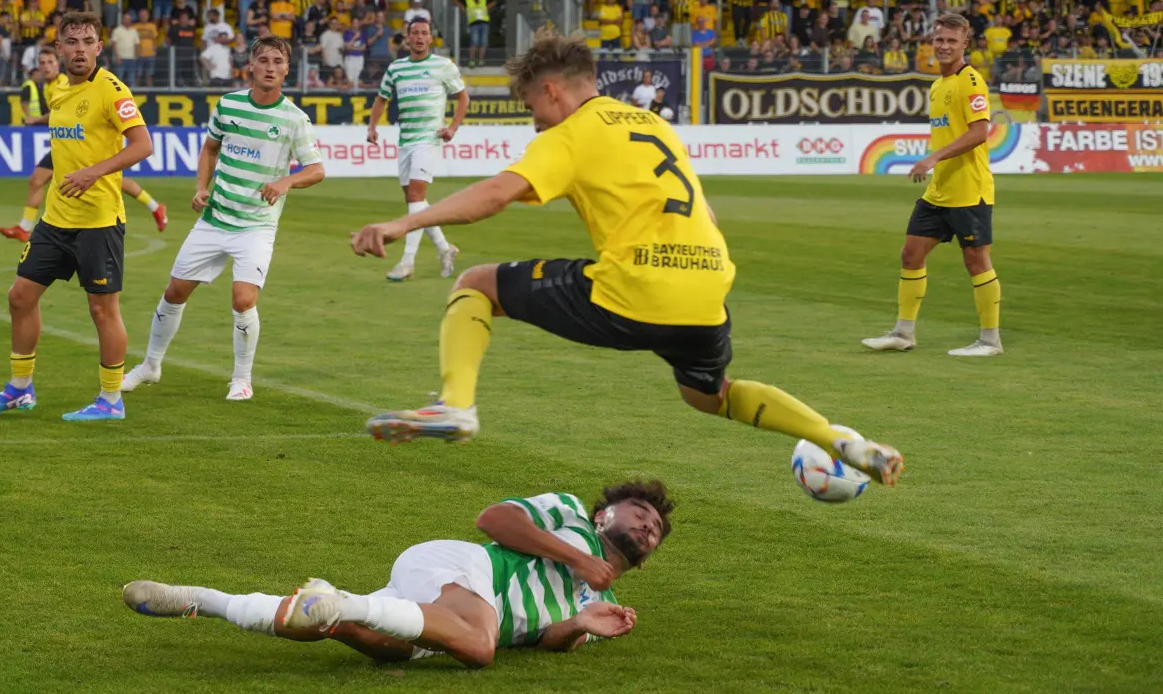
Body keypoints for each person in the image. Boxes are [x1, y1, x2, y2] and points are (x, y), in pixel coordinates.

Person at [347, 31, 905, 490]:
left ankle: (455, 406)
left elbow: (494, 195)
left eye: (531, 107)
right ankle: (841, 440)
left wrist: (403, 222)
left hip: (634, 286)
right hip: (707, 289)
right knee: (712, 395)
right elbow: (705, 211)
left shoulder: (570, 133)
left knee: (477, 282)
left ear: (552, 92)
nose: (533, 122)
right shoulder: (653, 124)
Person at [122, 478, 668, 668]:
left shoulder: (605, 602)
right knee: (480, 649)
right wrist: (578, 557)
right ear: (604, 515)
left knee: (362, 639)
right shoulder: (570, 513)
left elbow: (544, 640)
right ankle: (341, 600)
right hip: (457, 569)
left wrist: (580, 627)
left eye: (654, 532)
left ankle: (203, 599)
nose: (647, 528)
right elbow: (494, 519)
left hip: (439, 616)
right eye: (640, 514)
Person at [0, 12, 154, 422]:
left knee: (103, 310)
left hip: (99, 221)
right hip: (55, 219)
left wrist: (94, 171)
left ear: (99, 47)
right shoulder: (56, 89)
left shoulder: (112, 91)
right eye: (71, 42)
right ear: (58, 49)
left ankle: (110, 400)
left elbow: (143, 145)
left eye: (88, 41)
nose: (80, 49)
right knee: (20, 297)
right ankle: (20, 389)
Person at [121, 36, 325, 403]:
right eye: (263, 60)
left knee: (243, 300)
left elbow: (316, 169)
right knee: (174, 292)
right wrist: (202, 186)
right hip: (215, 219)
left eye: (278, 61)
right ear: (251, 65)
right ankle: (151, 365)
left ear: (286, 69)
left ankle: (242, 379)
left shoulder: (295, 119)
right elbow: (209, 148)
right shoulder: (228, 105)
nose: (270, 67)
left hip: (256, 225)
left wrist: (286, 180)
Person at [862, 12, 1002, 357]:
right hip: (939, 191)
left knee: (976, 261)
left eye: (951, 40)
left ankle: (990, 341)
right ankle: (903, 333)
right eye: (939, 39)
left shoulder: (970, 81)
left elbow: (980, 133)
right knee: (911, 253)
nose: (943, 46)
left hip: (969, 189)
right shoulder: (938, 85)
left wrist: (933, 157)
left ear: (965, 44)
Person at [0, 49, 167, 242]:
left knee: (110, 180)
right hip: (67, 144)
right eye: (42, 63)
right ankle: (24, 227)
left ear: (58, 61)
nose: (46, 66)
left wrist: (36, 120)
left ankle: (155, 207)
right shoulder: (50, 86)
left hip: (83, 143)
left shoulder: (64, 83)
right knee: (37, 180)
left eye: (50, 62)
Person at [366, 17, 469, 282]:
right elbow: (381, 99)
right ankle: (446, 249)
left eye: (424, 33)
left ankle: (407, 262)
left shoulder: (443, 66)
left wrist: (453, 128)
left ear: (430, 38)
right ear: (408, 38)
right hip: (406, 140)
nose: (420, 37)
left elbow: (462, 97)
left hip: (429, 139)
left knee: (415, 196)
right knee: (416, 202)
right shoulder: (396, 68)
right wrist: (372, 127)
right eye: (415, 33)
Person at [461, 0, 493, 67]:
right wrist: (462, 8)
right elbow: (457, 2)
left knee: (484, 42)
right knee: (474, 41)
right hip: (473, 22)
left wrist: (487, 8)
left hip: (484, 21)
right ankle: (472, 60)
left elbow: (495, 0)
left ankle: (481, 60)